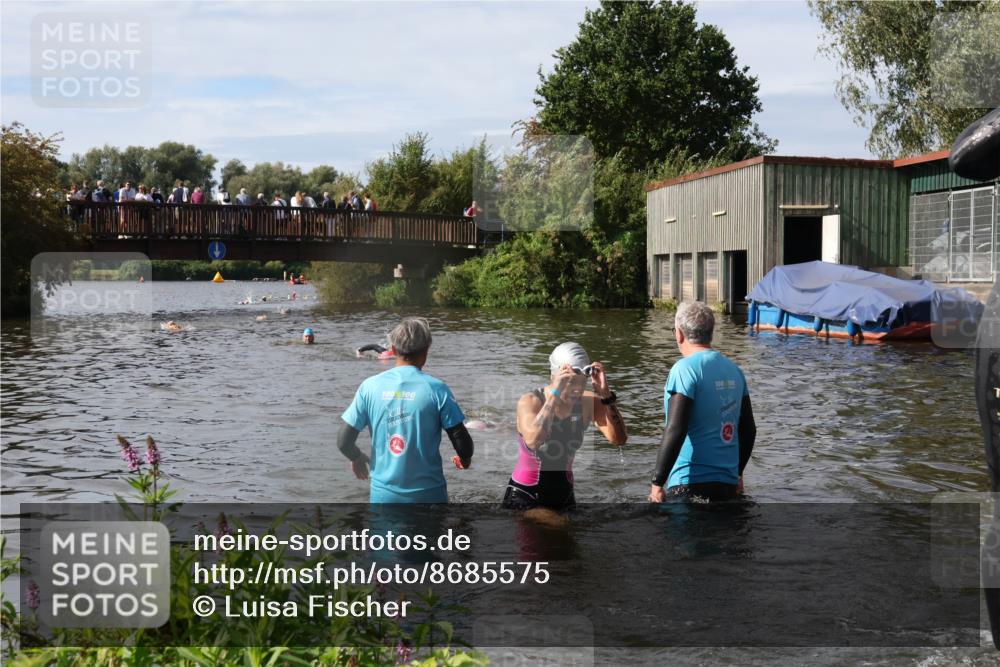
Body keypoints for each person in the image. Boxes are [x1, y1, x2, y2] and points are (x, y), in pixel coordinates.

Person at [338, 317, 474, 503]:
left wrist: (357, 457)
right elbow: (462, 442)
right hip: (429, 496)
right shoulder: (437, 389)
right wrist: (465, 460)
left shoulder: (369, 387)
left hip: (384, 497)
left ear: (393, 350)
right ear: (426, 350)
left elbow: (343, 442)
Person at [649, 301, 757, 503]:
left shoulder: (684, 370)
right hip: (726, 483)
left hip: (688, 484)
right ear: (711, 333)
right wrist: (738, 473)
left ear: (679, 334)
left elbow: (676, 428)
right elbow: (749, 430)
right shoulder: (735, 370)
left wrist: (657, 483)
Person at [502, 342, 628, 510]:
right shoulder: (531, 401)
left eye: (582, 382)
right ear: (554, 377)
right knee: (558, 526)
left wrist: (606, 396)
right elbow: (533, 441)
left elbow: (619, 440)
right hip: (525, 496)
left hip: (564, 495)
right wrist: (554, 395)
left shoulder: (588, 403)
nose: (577, 389)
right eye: (570, 382)